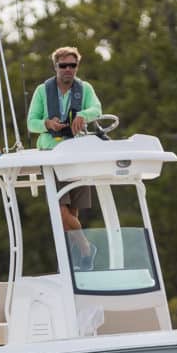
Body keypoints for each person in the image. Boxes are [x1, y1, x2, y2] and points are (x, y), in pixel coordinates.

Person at [26, 46, 104, 269]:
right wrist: (47, 124)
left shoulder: (85, 88)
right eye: (64, 66)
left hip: (76, 154)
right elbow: (31, 122)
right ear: (55, 67)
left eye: (73, 65)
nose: (69, 69)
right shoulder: (43, 91)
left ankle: (74, 261)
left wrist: (83, 115)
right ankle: (87, 248)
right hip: (52, 155)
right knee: (60, 211)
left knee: (71, 213)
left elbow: (97, 109)